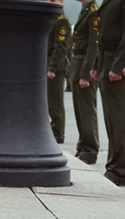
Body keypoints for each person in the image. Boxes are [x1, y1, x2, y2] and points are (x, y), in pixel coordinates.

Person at [91, 0, 125, 187]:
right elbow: (103, 36)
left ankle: (121, 169)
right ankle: (114, 166)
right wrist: (96, 64)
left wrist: (119, 65)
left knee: (120, 119)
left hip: (117, 64)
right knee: (112, 120)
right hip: (107, 61)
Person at [68, 0, 99, 164]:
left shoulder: (93, 11)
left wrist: (86, 74)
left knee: (87, 111)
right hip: (78, 64)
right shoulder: (85, 10)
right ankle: (83, 146)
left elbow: (94, 45)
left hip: (85, 67)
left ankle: (90, 149)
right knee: (80, 111)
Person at [46, 0, 71, 144]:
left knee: (55, 101)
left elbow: (60, 47)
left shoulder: (62, 21)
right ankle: (53, 129)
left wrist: (52, 68)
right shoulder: (54, 18)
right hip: (49, 62)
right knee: (49, 100)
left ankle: (58, 133)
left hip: (56, 66)